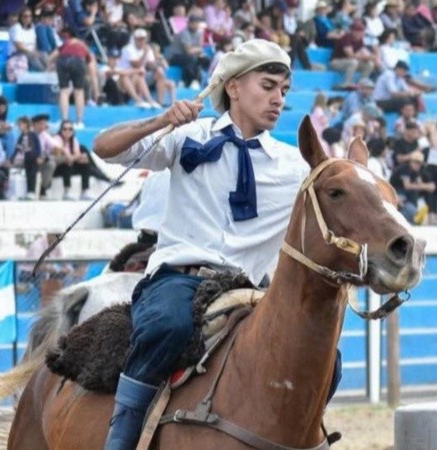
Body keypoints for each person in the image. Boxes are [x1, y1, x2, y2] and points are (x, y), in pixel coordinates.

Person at [92, 39, 341, 450]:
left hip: (252, 290)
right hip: (179, 280)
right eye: (268, 86)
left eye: (284, 90)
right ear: (234, 87)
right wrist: (159, 121)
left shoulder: (295, 165)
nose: (278, 99)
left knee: (328, 360)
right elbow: (104, 147)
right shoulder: (186, 136)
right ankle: (120, 440)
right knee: (166, 326)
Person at [50, 27, 96, 129]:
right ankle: (79, 121)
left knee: (64, 91)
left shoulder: (66, 43)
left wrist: (49, 67)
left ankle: (64, 121)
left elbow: (53, 55)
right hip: (78, 61)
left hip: (62, 60)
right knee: (79, 91)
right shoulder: (82, 44)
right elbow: (90, 59)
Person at [119, 28, 163, 109]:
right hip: (125, 77)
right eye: (139, 39)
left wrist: (157, 68)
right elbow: (137, 65)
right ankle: (139, 100)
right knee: (138, 74)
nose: (141, 41)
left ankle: (158, 102)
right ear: (135, 39)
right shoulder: (128, 49)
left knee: (159, 73)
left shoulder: (147, 48)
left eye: (143, 39)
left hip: (140, 75)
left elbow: (151, 64)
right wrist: (145, 53)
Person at [389, 150, 436, 224]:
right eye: (416, 162)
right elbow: (407, 186)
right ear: (411, 161)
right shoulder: (405, 168)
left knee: (416, 193)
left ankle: (421, 214)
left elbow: (419, 184)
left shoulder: (415, 172)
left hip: (405, 192)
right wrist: (426, 186)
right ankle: (411, 216)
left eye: (419, 163)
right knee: (407, 205)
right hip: (395, 191)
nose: (418, 165)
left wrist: (426, 186)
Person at [330, 20, 377, 90]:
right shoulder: (346, 38)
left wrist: (372, 57)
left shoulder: (360, 39)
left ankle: (361, 84)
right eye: (359, 31)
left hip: (349, 62)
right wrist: (366, 57)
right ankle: (347, 84)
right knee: (353, 62)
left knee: (369, 64)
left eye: (362, 31)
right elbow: (350, 55)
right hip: (336, 62)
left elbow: (364, 52)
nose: (361, 33)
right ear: (353, 31)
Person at [165, 15, 208, 89]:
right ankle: (189, 81)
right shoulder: (185, 33)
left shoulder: (199, 33)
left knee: (205, 60)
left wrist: (199, 51)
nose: (196, 25)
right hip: (176, 56)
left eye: (197, 23)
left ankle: (199, 81)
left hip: (189, 56)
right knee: (192, 59)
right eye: (194, 23)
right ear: (189, 24)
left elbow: (200, 48)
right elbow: (188, 51)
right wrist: (198, 50)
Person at [53, 120, 91, 200]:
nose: (67, 131)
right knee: (67, 163)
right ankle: (66, 192)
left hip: (70, 163)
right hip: (57, 167)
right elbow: (62, 152)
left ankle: (85, 191)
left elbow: (77, 154)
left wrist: (76, 157)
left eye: (70, 129)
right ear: (61, 130)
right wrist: (75, 157)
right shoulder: (57, 139)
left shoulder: (74, 140)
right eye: (65, 129)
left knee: (85, 163)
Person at [11, 116, 42, 200]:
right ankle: (28, 191)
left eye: (20, 124)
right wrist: (12, 158)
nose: (19, 126)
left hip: (34, 158)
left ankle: (32, 191)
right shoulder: (21, 136)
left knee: (33, 174)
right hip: (27, 158)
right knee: (28, 174)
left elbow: (38, 147)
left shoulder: (33, 135)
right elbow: (17, 148)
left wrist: (39, 156)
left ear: (26, 124)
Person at [8, 7, 47, 72]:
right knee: (32, 56)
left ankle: (49, 71)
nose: (28, 18)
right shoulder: (16, 28)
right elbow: (19, 46)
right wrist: (31, 52)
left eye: (30, 16)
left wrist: (36, 52)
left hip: (30, 52)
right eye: (25, 16)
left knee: (43, 54)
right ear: (21, 17)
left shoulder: (32, 28)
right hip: (17, 53)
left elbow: (34, 45)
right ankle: (43, 71)